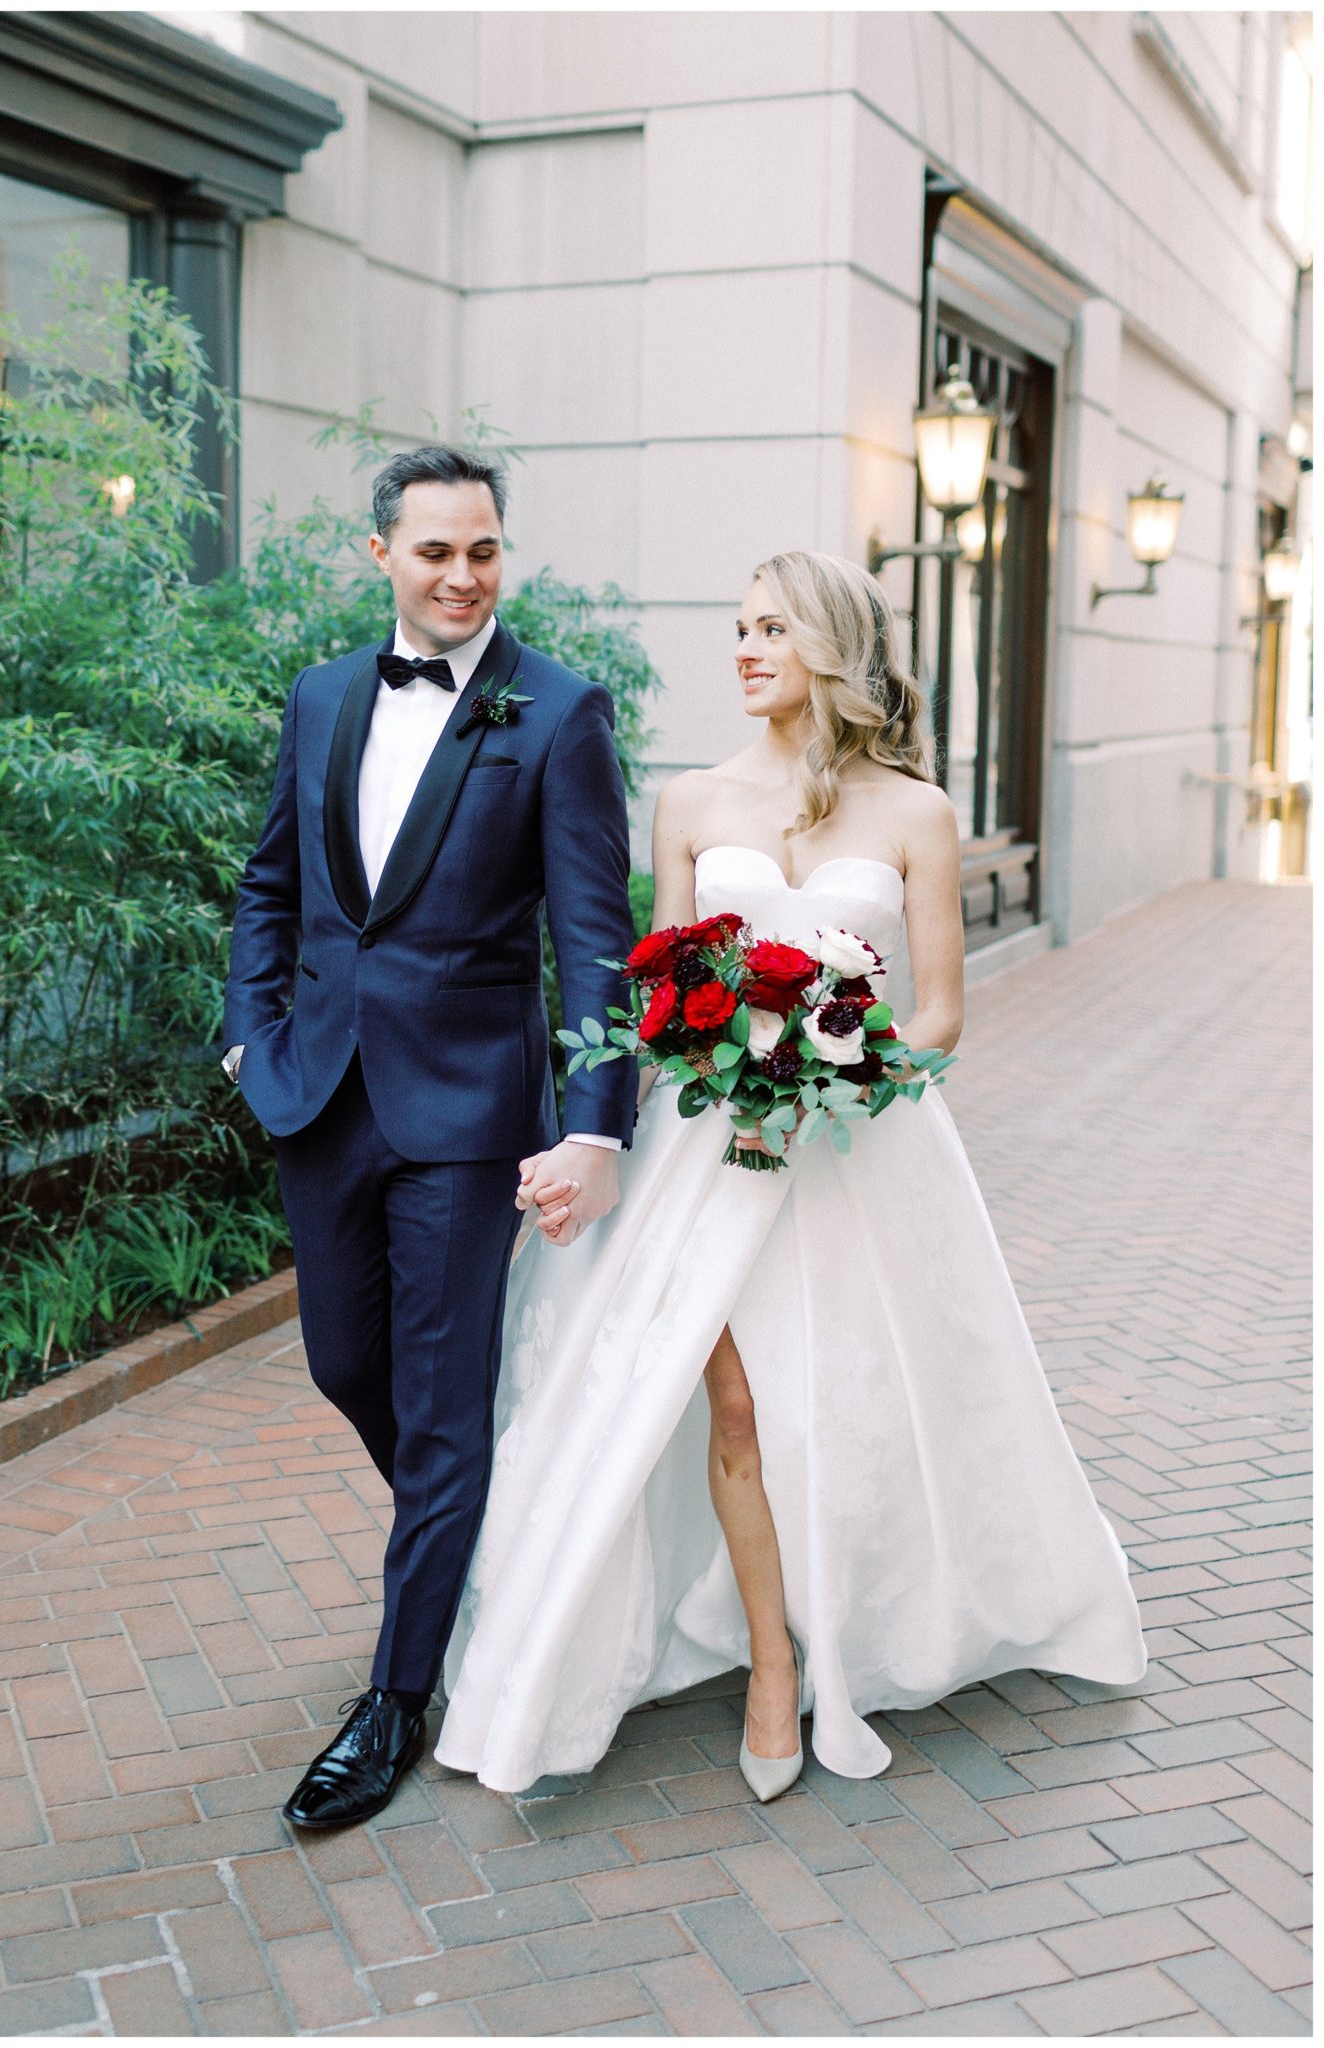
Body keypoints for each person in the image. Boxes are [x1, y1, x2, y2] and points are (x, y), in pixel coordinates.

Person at [439, 548, 1148, 1799]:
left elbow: (936, 1017)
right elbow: (649, 993)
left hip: (853, 1149)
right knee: (730, 1401)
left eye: (772, 627)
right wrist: (719, 1076)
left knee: (850, 1400)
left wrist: (821, 1084)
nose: (746, 648)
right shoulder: (692, 802)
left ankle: (867, 1617)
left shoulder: (912, 812)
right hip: (710, 1148)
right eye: (739, 626)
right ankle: (771, 1662)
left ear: (830, 645)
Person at [222, 445, 637, 1829]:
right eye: (435, 552)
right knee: (351, 1365)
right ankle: (483, 1542)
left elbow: (595, 947)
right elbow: (269, 885)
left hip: (468, 1120)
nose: (462, 577)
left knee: (445, 1404)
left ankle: (397, 1697)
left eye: (484, 552)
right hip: (321, 1101)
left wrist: (596, 1126)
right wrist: (248, 1036)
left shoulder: (558, 713)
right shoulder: (325, 694)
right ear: (382, 554)